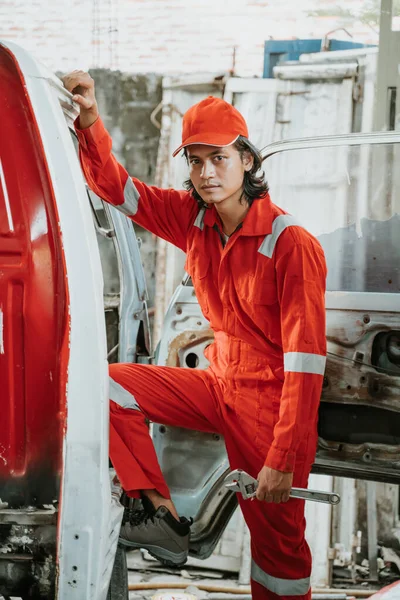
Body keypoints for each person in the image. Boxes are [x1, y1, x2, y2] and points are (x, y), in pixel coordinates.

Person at [62, 70, 327, 600]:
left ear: (247, 160)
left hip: (270, 403)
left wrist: (283, 457)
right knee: (105, 385)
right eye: (196, 160)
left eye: (219, 158)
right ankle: (157, 514)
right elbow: (118, 189)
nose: (207, 172)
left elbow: (304, 362)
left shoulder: (290, 242)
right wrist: (89, 119)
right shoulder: (193, 220)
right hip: (218, 380)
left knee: (278, 545)